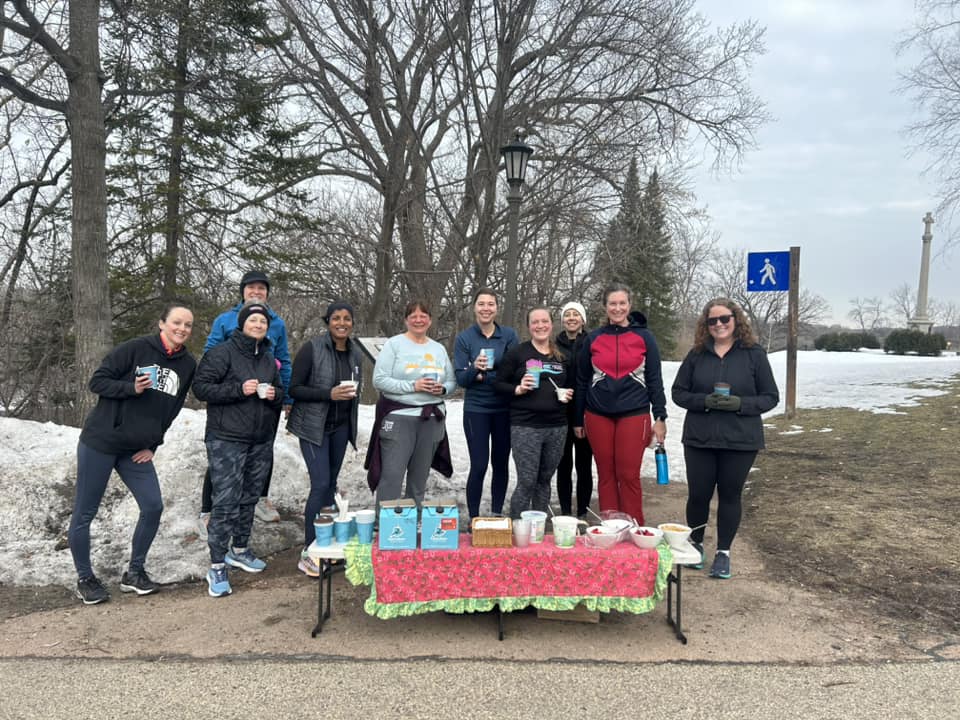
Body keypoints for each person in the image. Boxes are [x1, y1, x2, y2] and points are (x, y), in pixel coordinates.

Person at [68, 304, 197, 605]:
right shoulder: (136, 348)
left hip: (134, 450)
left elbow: (173, 407)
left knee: (152, 506)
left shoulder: (188, 364)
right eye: (177, 322)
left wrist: (153, 444)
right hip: (101, 441)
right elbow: (97, 382)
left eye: (188, 325)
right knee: (85, 512)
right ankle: (85, 579)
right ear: (162, 323)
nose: (182, 329)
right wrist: (130, 388)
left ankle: (134, 573)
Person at [671, 298, 779, 579]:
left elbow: (770, 397)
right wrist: (704, 401)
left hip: (740, 440)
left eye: (724, 319)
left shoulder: (754, 354)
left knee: (730, 496)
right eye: (712, 320)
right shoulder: (697, 355)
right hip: (700, 439)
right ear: (705, 325)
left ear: (736, 320)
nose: (718, 324)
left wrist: (740, 405)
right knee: (698, 495)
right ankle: (695, 545)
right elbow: (679, 392)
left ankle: (723, 552)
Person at [192, 302, 284, 597]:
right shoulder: (222, 353)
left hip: (260, 439)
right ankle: (217, 564)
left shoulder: (269, 358)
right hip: (226, 438)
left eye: (263, 322)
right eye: (253, 320)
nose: (258, 325)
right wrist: (237, 389)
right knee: (226, 500)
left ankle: (240, 549)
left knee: (249, 498)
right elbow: (201, 388)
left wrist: (273, 394)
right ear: (242, 324)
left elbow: (281, 392)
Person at [196, 270, 291, 535]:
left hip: (264, 400)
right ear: (243, 291)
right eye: (251, 288)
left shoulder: (277, 323)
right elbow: (210, 355)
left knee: (263, 451)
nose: (256, 292)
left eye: (262, 289)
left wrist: (285, 396)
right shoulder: (225, 320)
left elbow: (283, 358)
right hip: (232, 401)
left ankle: (258, 499)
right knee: (224, 459)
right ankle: (209, 509)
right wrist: (233, 381)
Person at [573, 283, 667, 526]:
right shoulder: (593, 338)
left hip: (634, 414)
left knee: (628, 474)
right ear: (605, 307)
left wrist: (660, 416)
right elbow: (582, 381)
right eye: (612, 304)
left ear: (629, 305)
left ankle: (635, 528)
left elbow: (655, 379)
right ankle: (610, 528)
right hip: (597, 414)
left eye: (622, 303)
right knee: (606, 474)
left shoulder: (644, 337)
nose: (617, 308)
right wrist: (577, 419)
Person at [287, 301, 364, 577]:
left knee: (331, 485)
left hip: (340, 427)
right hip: (313, 427)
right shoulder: (312, 348)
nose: (342, 323)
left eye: (347, 318)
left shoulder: (355, 354)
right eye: (336, 318)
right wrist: (328, 394)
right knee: (319, 485)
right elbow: (294, 388)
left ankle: (327, 548)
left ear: (352, 323)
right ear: (328, 321)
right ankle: (309, 551)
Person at [366, 300, 455, 512]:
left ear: (430, 320)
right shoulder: (394, 345)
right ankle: (385, 522)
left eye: (423, 315)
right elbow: (379, 380)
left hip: (431, 419)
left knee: (419, 477)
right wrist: (413, 386)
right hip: (399, 417)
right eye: (413, 316)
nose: (418, 319)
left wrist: (441, 390)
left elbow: (451, 382)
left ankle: (411, 522)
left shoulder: (438, 348)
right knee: (392, 475)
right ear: (406, 320)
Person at [495, 307, 572, 519]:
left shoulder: (561, 356)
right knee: (527, 480)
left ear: (551, 323)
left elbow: (571, 384)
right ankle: (517, 526)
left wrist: (568, 395)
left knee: (545, 479)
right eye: (535, 322)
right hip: (526, 426)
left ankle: (536, 527)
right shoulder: (518, 353)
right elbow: (498, 384)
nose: (540, 326)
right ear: (529, 326)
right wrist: (518, 388)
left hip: (557, 426)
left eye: (544, 321)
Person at [454, 288, 519, 519]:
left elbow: (513, 374)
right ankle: (473, 517)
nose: (486, 308)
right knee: (479, 465)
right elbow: (461, 379)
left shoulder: (509, 336)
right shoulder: (464, 338)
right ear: (474, 307)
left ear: (496, 308)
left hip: (504, 408)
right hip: (476, 410)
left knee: (500, 464)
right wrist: (474, 369)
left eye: (490, 304)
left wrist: (484, 377)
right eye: (481, 304)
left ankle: (496, 514)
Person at [555, 300, 593, 518]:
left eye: (575, 315)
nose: (571, 318)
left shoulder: (591, 342)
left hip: (585, 411)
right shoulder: (554, 344)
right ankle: (566, 512)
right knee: (563, 465)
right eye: (567, 315)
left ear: (582, 320)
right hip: (560, 412)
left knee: (584, 465)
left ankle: (583, 512)